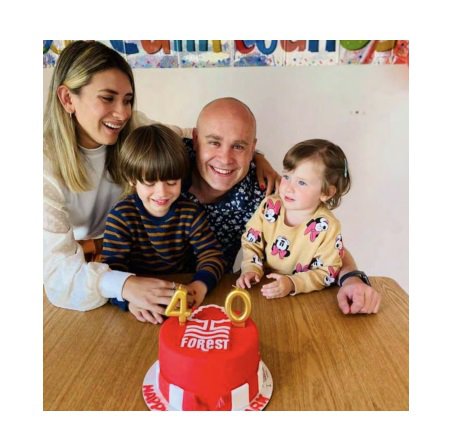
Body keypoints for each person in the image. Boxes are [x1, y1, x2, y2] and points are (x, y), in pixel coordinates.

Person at [43, 41, 277, 315]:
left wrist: (256, 158)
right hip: (85, 267)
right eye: (107, 98)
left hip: (134, 267)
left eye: (127, 100)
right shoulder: (43, 166)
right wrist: (123, 288)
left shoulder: (134, 130)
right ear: (68, 98)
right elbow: (57, 273)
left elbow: (201, 136)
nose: (122, 113)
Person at [180, 98, 381, 314]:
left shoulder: (265, 191)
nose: (225, 158)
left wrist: (352, 279)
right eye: (214, 142)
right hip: (161, 292)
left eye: (238, 146)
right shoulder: (166, 168)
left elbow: (326, 245)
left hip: (224, 296)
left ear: (252, 148)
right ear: (195, 139)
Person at [101, 124, 225, 324]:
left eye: (171, 182)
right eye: (150, 183)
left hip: (181, 296)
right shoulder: (121, 217)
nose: (162, 193)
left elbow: (212, 255)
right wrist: (128, 302)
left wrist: (199, 286)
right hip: (139, 306)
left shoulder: (190, 213)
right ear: (132, 179)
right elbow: (110, 271)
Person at [236, 138, 349, 297]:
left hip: (302, 296)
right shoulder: (270, 206)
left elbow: (327, 272)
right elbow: (251, 241)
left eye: (301, 183)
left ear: (326, 192)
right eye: (287, 177)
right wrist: (251, 268)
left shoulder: (328, 226)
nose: (288, 188)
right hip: (260, 286)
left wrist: (292, 283)